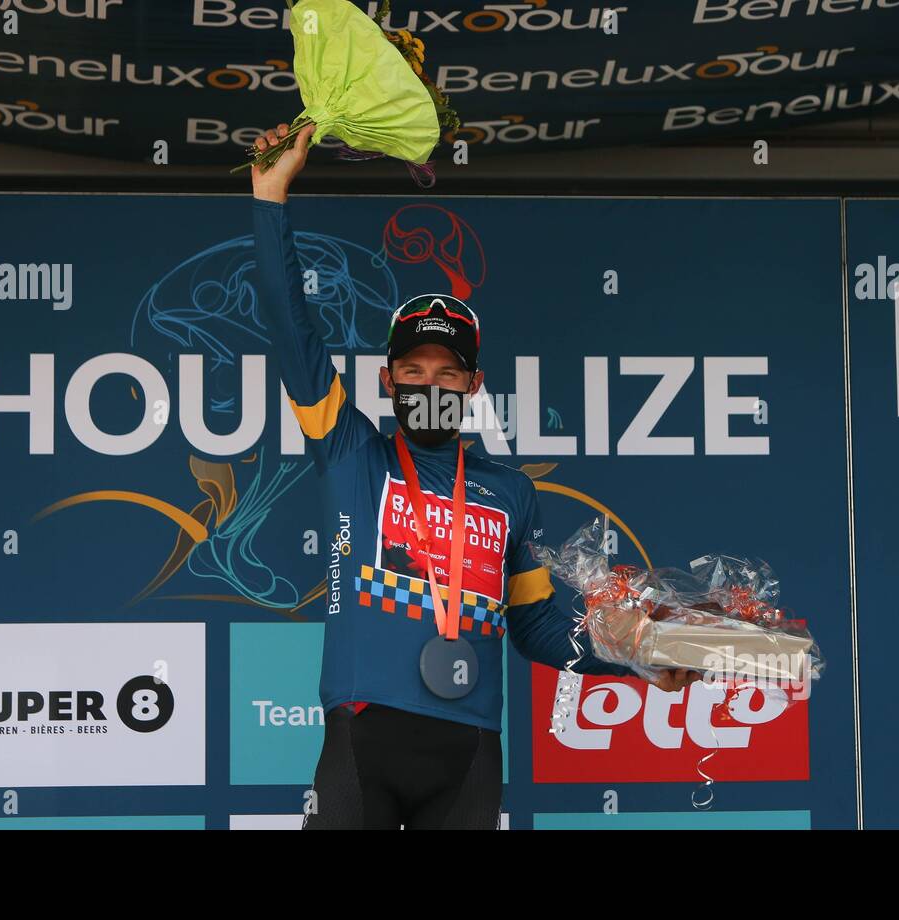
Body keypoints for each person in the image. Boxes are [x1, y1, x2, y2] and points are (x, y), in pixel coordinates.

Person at [250, 122, 702, 830]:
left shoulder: (509, 492)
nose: (430, 383)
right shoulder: (348, 450)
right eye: (413, 370)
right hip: (363, 733)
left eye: (447, 372)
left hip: (469, 751)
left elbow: (537, 628)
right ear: (388, 379)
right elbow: (290, 329)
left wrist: (637, 654)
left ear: (473, 384)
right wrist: (271, 197)